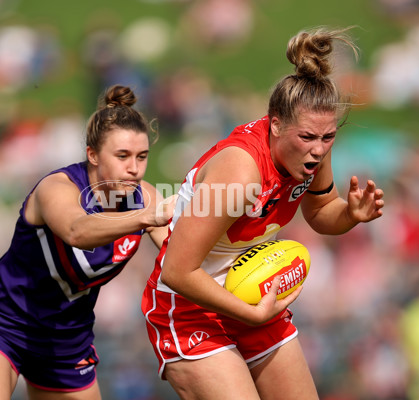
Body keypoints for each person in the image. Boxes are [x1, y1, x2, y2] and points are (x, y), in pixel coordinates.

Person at [141, 27, 385, 400]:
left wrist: (351, 214)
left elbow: (320, 212)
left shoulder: (311, 145)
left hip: (252, 297)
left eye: (328, 137)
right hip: (190, 307)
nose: (319, 151)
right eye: (307, 138)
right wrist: (249, 314)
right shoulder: (240, 175)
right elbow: (177, 270)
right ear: (275, 125)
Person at [0, 84, 175, 400]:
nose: (134, 169)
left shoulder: (146, 200)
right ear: (93, 155)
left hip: (66, 340)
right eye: (122, 156)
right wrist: (146, 217)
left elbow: (180, 256)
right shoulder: (57, 189)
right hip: (2, 322)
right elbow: (77, 231)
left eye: (142, 157)